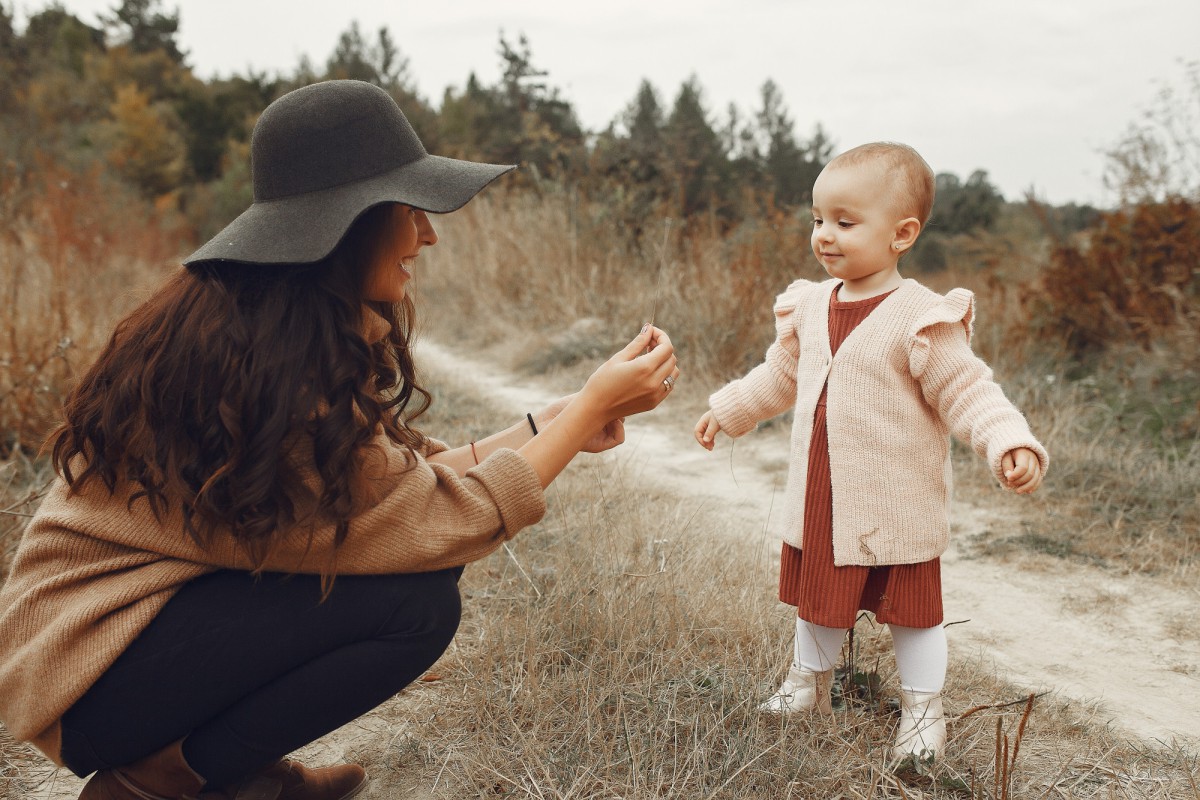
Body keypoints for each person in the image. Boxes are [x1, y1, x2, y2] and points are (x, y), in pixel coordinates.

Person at [0, 80, 680, 799]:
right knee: (414, 603)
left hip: (115, 648)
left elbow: (387, 490)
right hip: (85, 670)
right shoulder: (264, 369)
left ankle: (240, 775)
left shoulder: (267, 323)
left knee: (410, 582)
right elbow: (437, 522)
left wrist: (553, 419)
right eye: (410, 209)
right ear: (348, 222)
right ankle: (158, 780)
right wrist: (581, 420)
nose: (428, 233)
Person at [693, 142, 1046, 764]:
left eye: (845, 222)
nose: (824, 235)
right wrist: (729, 409)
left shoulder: (919, 318)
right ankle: (809, 682)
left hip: (895, 502)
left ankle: (922, 711)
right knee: (818, 600)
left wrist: (1008, 439)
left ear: (902, 233)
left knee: (914, 613)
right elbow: (781, 374)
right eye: (817, 219)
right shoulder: (809, 305)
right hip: (823, 494)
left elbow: (968, 391)